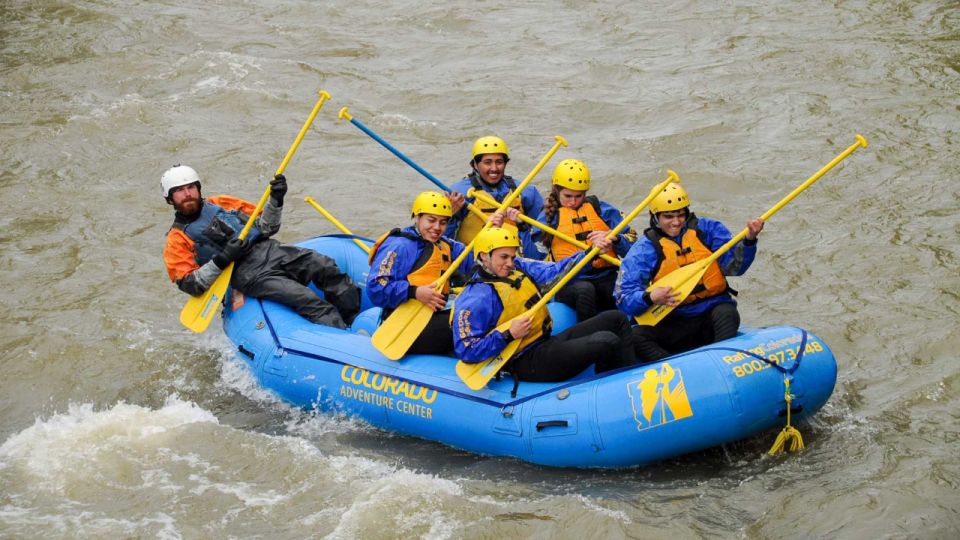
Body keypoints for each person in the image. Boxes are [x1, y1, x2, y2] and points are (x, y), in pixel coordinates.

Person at [162, 164, 361, 328]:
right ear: (170, 199)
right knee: (306, 299)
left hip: (273, 250)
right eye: (179, 191)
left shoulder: (222, 203)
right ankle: (345, 341)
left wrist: (276, 199)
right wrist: (223, 258)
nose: (187, 194)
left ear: (198, 188)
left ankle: (353, 320)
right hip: (248, 275)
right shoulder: (176, 239)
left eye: (191, 187)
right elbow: (191, 284)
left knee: (325, 265)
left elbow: (268, 226)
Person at [452, 226, 637, 385]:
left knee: (616, 319)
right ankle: (615, 394)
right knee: (606, 341)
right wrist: (508, 335)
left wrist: (590, 254)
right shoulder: (475, 298)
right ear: (484, 256)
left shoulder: (517, 267)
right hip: (525, 361)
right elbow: (466, 349)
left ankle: (632, 379)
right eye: (504, 257)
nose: (510, 263)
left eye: (512, 256)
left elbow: (554, 271)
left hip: (545, 342)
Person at [614, 182, 765, 362]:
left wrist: (749, 241)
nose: (676, 222)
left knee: (727, 313)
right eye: (668, 217)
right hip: (674, 319)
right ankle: (676, 368)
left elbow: (735, 267)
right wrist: (650, 297)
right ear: (655, 217)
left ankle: (723, 362)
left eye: (680, 215)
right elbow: (624, 297)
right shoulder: (643, 250)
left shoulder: (708, 230)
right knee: (636, 336)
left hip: (711, 312)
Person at [366, 191, 473, 355]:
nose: (437, 228)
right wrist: (415, 292)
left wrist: (492, 234)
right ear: (417, 217)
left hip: (432, 315)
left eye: (443, 223)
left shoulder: (445, 245)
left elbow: (475, 258)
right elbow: (375, 287)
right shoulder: (400, 246)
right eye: (431, 220)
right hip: (404, 325)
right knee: (470, 321)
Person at [535, 158, 636, 322]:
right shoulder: (546, 219)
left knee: (615, 287)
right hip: (569, 281)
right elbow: (534, 257)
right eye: (567, 196)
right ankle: (589, 335)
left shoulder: (602, 209)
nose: (573, 202)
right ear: (556, 190)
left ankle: (628, 330)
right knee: (586, 290)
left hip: (605, 274)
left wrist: (615, 240)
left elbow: (633, 246)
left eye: (578, 196)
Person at [445, 136, 544, 258]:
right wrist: (450, 216)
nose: (494, 168)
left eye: (499, 162)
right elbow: (441, 240)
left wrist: (522, 225)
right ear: (475, 165)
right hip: (474, 264)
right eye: (487, 162)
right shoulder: (460, 194)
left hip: (514, 263)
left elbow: (541, 238)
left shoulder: (526, 192)